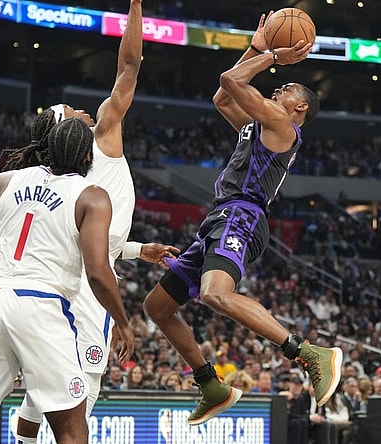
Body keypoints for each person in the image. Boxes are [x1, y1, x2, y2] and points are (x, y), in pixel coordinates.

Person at [142, 12, 336, 427]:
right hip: (220, 217)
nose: (278, 88)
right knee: (157, 306)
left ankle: (305, 352)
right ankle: (210, 383)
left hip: (242, 216)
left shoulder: (282, 123)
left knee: (214, 294)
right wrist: (256, 46)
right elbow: (223, 97)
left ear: (299, 106)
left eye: (285, 88)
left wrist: (269, 54)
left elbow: (233, 82)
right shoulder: (259, 125)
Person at [5, 1, 178, 441]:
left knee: (42, 388)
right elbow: (130, 64)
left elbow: (99, 237)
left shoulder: (52, 176)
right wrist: (137, 6)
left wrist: (139, 249)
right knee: (87, 382)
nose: (81, 109)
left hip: (62, 276)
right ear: (66, 130)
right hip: (85, 283)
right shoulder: (102, 134)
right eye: (72, 110)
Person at [0, 117, 134, 444]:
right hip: (41, 306)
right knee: (72, 429)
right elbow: (98, 273)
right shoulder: (92, 196)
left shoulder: (7, 180)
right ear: (89, 157)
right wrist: (123, 322)